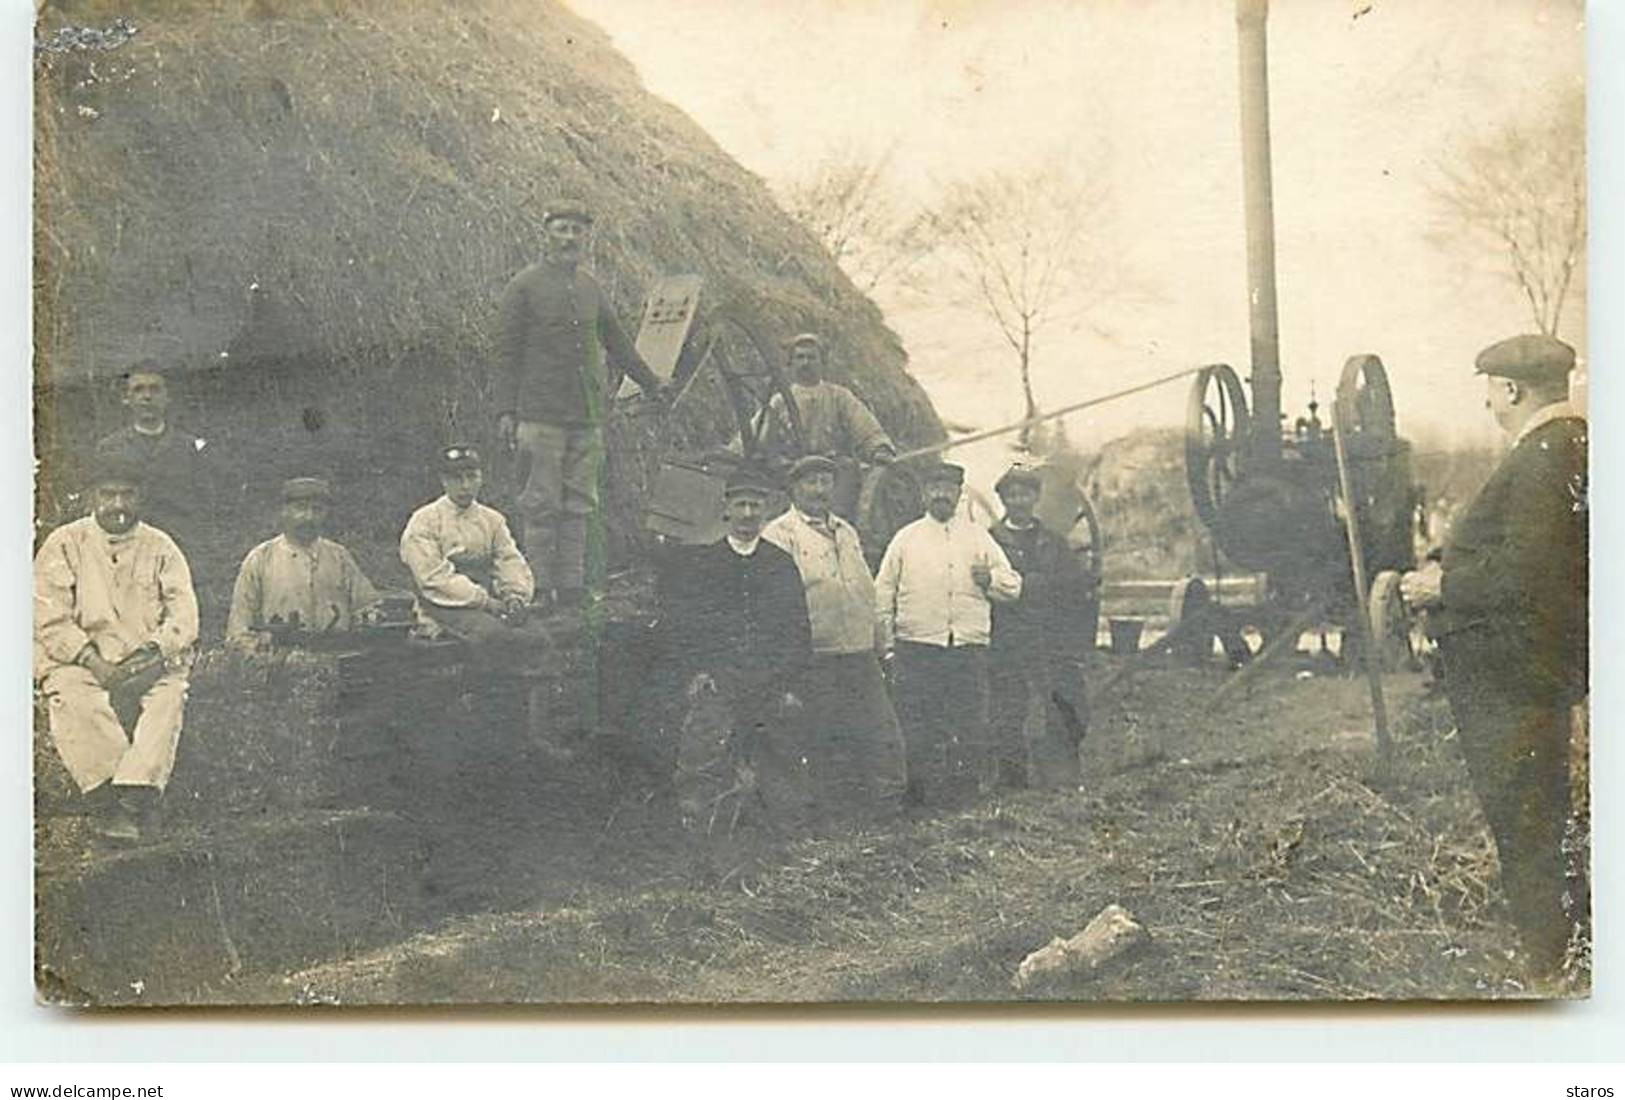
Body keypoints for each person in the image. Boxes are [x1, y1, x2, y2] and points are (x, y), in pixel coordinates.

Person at [1399, 333, 1588, 985]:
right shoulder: (1567, 447)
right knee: (1537, 814)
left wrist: (1440, 586)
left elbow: (1531, 573)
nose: (1484, 402)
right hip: (1532, 669)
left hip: (1513, 676)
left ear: (1509, 389)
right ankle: (1563, 950)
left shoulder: (1543, 455)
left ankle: (1554, 967)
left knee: (1525, 816)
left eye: (1488, 387)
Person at [495, 198, 669, 609]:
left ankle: (571, 588)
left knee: (578, 503)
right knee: (540, 504)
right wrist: (505, 410)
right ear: (546, 234)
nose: (569, 238)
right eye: (561, 229)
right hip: (539, 415)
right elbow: (505, 352)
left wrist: (651, 381)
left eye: (576, 231)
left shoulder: (591, 288)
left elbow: (618, 341)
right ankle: (537, 588)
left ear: (585, 237)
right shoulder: (524, 286)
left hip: (585, 417)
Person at [33, 457, 199, 842]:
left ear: (140, 497)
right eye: (108, 494)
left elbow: (184, 615)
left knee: (169, 697)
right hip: (81, 660)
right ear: (93, 496)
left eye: (128, 494)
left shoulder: (161, 546)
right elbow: (47, 615)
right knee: (72, 697)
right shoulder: (64, 543)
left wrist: (153, 654)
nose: (118, 505)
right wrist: (91, 659)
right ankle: (106, 800)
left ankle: (138, 797)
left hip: (146, 661)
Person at [662, 465, 813, 832]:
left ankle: (780, 834)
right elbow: (688, 626)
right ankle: (702, 830)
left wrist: (790, 685)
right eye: (741, 505)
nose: (748, 515)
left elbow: (796, 630)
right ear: (726, 508)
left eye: (755, 506)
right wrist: (697, 672)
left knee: (781, 756)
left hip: (770, 681)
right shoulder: (703, 564)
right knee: (702, 754)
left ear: (766, 511)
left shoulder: (780, 565)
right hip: (721, 680)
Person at [763, 454, 908, 824]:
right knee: (817, 735)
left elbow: (866, 590)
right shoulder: (780, 534)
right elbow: (776, 603)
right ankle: (820, 818)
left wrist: (882, 645)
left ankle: (886, 811)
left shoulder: (846, 531)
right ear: (794, 489)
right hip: (816, 654)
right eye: (810, 482)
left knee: (880, 730)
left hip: (859, 652)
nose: (819, 490)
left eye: (826, 482)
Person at [874, 462, 1022, 806]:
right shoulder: (906, 538)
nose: (941, 494)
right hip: (918, 647)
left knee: (968, 721)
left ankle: (963, 795)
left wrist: (992, 581)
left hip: (966, 648)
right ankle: (919, 795)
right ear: (924, 494)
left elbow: (1013, 585)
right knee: (918, 722)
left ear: (958, 494)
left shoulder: (978, 536)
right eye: (934, 488)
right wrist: (889, 648)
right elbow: (882, 594)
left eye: (948, 488)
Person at [987, 463, 1091, 790]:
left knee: (1063, 701)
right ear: (1003, 500)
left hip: (1050, 635)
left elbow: (1072, 585)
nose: (1018, 500)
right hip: (1008, 635)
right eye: (1012, 494)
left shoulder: (1054, 542)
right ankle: (1012, 777)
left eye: (1025, 494)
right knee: (1008, 706)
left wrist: (1028, 586)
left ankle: (1061, 774)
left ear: (1035, 498)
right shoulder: (990, 542)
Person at [399, 445, 538, 650]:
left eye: (471, 477)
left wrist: (514, 595)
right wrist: (485, 601)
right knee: (493, 636)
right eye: (456, 478)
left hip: (492, 599)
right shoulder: (425, 520)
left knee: (537, 635)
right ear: (444, 480)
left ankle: (537, 681)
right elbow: (432, 578)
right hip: (446, 602)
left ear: (481, 478)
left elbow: (509, 559)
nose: (465, 485)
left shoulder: (492, 519)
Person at [758, 333, 896, 520]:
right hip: (793, 472)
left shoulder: (839, 396)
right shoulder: (779, 401)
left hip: (833, 472)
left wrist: (879, 447)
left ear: (822, 361)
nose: (805, 363)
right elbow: (755, 433)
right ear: (791, 362)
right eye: (800, 357)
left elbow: (865, 426)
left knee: (836, 514)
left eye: (811, 357)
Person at [226, 477, 381, 642]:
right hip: (280, 660)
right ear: (284, 511)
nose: (309, 517)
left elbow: (367, 607)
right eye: (300, 509)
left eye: (317, 510)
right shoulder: (261, 559)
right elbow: (239, 629)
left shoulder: (339, 557)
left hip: (336, 656)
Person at [94, 362, 211, 553]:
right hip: (128, 545)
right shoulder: (110, 448)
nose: (147, 396)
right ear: (126, 398)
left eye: (155, 389)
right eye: (138, 390)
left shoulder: (189, 447)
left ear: (167, 397)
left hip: (181, 545)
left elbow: (204, 503)